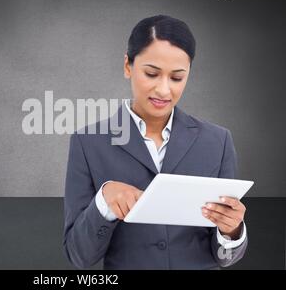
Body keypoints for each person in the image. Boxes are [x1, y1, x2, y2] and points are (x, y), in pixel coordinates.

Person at [63, 15, 248, 269]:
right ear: (128, 66)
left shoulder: (218, 142)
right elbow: (78, 256)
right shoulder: (88, 144)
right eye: (151, 73)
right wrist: (103, 203)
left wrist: (232, 232)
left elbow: (225, 258)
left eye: (176, 78)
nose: (163, 90)